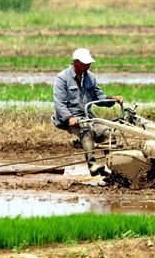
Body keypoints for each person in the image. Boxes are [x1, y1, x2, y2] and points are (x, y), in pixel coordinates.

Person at [52, 48, 124, 177]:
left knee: (108, 132)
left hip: (87, 116)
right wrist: (69, 118)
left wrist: (112, 99)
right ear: (76, 62)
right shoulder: (62, 78)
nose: (88, 65)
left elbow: (99, 98)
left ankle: (115, 168)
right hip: (68, 118)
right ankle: (93, 166)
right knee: (86, 129)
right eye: (85, 63)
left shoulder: (90, 77)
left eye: (89, 63)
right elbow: (59, 103)